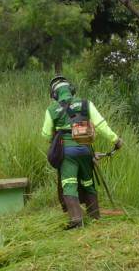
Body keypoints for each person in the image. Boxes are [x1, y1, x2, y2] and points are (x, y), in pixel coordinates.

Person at [41, 76, 122, 229]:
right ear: (71, 90)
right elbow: (101, 125)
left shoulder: (52, 109)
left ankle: (77, 220)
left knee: (69, 183)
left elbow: (45, 134)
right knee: (88, 181)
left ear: (54, 94)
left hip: (67, 152)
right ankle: (94, 215)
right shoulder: (86, 104)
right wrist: (116, 140)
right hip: (86, 150)